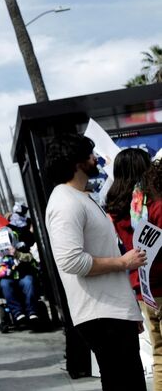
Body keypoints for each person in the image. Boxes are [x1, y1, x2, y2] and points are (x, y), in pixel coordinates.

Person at [44, 133, 147, 391]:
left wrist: (128, 308)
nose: (96, 158)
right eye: (90, 154)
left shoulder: (80, 196)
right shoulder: (65, 202)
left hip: (111, 311)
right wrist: (123, 263)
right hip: (101, 314)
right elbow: (71, 261)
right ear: (78, 161)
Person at [106, 150, 161, 390]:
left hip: (142, 289)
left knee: (159, 354)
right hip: (161, 282)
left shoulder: (115, 210)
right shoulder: (156, 205)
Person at [0, 226, 39, 327]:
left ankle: (32, 312)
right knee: (5, 285)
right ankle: (17, 313)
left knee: (28, 282)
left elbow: (29, 258)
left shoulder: (21, 245)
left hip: (22, 274)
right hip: (6, 277)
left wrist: (17, 254)